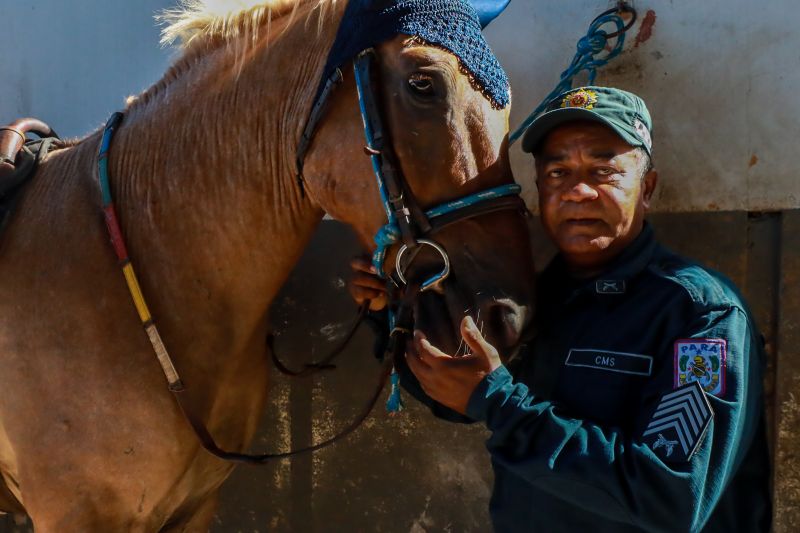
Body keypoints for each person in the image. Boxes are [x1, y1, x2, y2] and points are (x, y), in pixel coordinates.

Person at [349, 86, 772, 532]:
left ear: (647, 188)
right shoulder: (534, 298)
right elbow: (461, 399)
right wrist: (387, 310)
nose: (578, 191)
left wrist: (499, 402)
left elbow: (670, 495)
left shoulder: (701, 318)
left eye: (603, 171)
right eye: (557, 173)